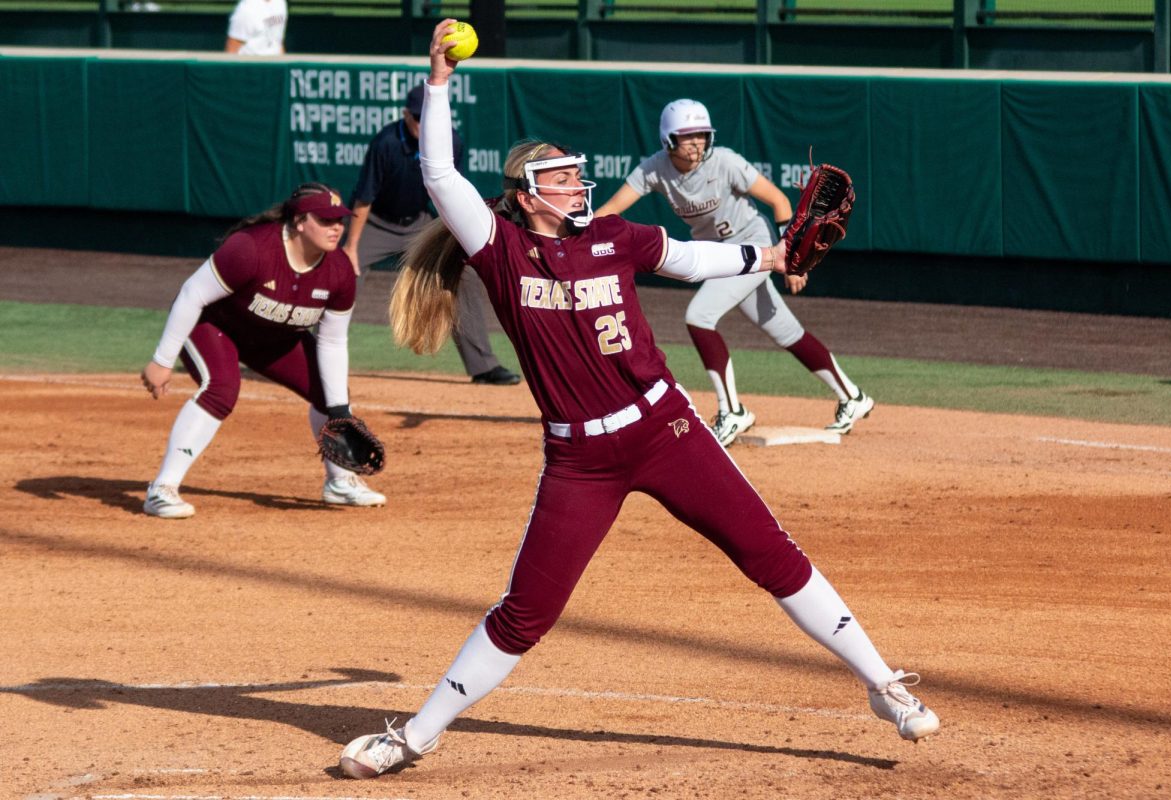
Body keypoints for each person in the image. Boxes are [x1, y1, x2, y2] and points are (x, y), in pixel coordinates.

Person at [337, 20, 939, 780]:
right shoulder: (500, 247)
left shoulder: (615, 236)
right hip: (580, 459)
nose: (577, 185)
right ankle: (415, 736)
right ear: (526, 197)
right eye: (560, 178)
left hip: (667, 429)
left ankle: (884, 685)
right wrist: (439, 77)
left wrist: (770, 254)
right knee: (528, 612)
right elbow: (440, 174)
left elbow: (691, 258)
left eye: (576, 175)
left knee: (769, 553)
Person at [595, 99, 873, 445]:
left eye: (701, 134)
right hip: (720, 257)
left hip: (754, 245)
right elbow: (611, 210)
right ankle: (853, 396)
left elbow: (779, 201)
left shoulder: (725, 161)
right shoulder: (655, 168)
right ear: (668, 140)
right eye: (687, 136)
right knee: (785, 330)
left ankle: (733, 411)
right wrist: (578, 232)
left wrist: (790, 258)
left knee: (700, 316)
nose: (697, 142)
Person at [140, 182, 385, 518]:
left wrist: (340, 409)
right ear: (299, 222)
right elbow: (191, 295)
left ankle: (340, 482)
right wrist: (162, 360)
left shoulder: (339, 271)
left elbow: (332, 340)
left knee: (331, 393)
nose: (336, 228)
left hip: (275, 340)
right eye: (325, 220)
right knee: (222, 389)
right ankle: (161, 490)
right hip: (214, 327)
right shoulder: (252, 249)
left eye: (339, 221)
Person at [345, 83, 521, 386]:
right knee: (342, 274)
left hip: (420, 222)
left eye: (424, 116)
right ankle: (318, 358)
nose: (420, 123)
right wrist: (351, 247)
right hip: (376, 222)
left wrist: (452, 239)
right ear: (405, 115)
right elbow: (364, 198)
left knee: (462, 274)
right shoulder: (386, 142)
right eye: (415, 116)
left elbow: (452, 194)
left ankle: (483, 367)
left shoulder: (450, 142)